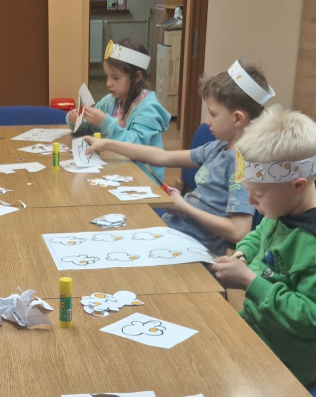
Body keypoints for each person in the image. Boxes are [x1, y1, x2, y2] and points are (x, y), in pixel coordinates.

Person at [210, 105, 316, 385]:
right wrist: (242, 253)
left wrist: (249, 281)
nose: (251, 203)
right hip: (259, 328)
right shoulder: (285, 206)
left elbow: (314, 319)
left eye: (258, 194)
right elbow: (261, 234)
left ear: (297, 185)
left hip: (288, 361)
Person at [84, 61, 271, 256]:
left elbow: (239, 232)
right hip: (173, 234)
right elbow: (162, 156)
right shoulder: (219, 147)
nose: (207, 121)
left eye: (213, 114)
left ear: (238, 119)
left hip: (192, 251)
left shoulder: (242, 165)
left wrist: (184, 208)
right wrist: (107, 144)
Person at [69, 39, 171, 182]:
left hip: (144, 181)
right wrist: (76, 120)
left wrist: (105, 122)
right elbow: (89, 129)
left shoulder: (148, 108)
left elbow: (136, 147)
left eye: (115, 78)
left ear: (137, 77)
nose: (108, 83)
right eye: (107, 76)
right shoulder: (111, 101)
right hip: (118, 172)